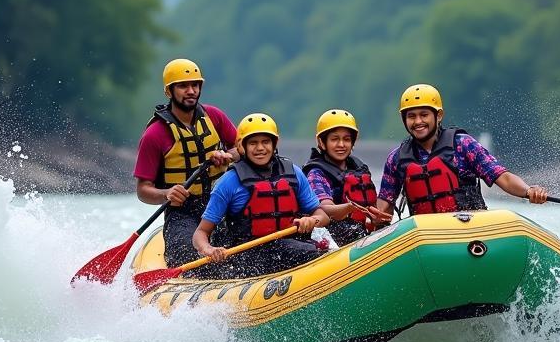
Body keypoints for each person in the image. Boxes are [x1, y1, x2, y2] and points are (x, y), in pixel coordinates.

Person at [373, 84, 548, 221]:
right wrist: (374, 217)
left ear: (438, 115)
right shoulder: (396, 159)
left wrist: (528, 191)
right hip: (427, 238)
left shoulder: (463, 144)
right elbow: (384, 207)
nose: (418, 121)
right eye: (411, 116)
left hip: (469, 228)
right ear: (404, 119)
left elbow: (502, 177)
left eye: (424, 114)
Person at [193, 112, 330, 276]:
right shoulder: (229, 182)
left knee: (310, 251)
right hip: (248, 256)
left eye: (265, 142)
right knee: (302, 251)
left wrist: (312, 220)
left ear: (274, 143)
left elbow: (323, 215)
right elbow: (201, 232)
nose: (260, 148)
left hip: (292, 246)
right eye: (253, 143)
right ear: (242, 146)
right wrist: (209, 249)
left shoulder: (294, 173)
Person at [134, 58, 239, 265]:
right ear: (169, 92)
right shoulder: (155, 135)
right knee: (188, 258)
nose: (191, 91)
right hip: (183, 214)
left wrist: (228, 156)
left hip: (222, 203)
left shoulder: (214, 117)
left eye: (195, 85)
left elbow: (243, 148)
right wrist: (167, 194)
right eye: (183, 86)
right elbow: (143, 190)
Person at [302, 109, 386, 246]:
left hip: (358, 230)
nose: (341, 145)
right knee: (354, 231)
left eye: (346, 139)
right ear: (322, 142)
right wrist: (351, 207)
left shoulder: (359, 169)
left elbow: (371, 208)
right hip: (330, 233)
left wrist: (376, 219)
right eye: (334, 139)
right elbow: (325, 209)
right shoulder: (316, 173)